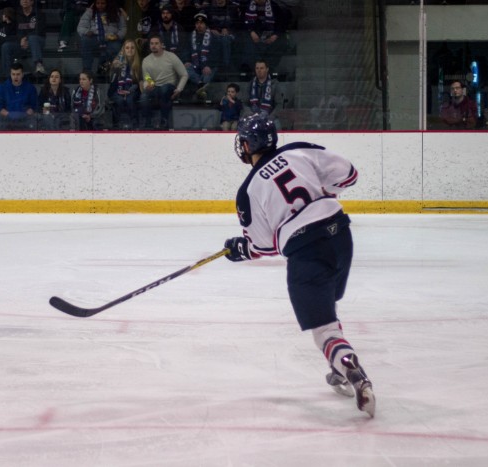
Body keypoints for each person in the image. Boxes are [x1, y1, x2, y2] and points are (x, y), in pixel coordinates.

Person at [223, 113, 375, 418]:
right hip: (341, 235)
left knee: (324, 330)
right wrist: (321, 197)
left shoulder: (248, 191)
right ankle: (338, 369)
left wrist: (241, 249)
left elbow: (264, 246)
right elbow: (349, 175)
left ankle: (349, 365)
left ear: (248, 144)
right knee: (327, 307)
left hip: (307, 251)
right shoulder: (300, 150)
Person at [139, 34, 188, 130]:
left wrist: (179, 89)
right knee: (143, 96)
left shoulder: (171, 56)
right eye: (152, 43)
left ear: (162, 45)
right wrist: (147, 85)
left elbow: (184, 74)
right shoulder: (146, 60)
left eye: (156, 43)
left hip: (170, 86)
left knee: (164, 89)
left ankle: (164, 120)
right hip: (155, 87)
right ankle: (148, 122)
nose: (154, 46)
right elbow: (147, 78)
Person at [76, 0, 126, 76]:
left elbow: (123, 28)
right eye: (98, 3)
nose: (100, 5)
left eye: (103, 3)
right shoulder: (90, 12)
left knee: (117, 47)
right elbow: (81, 27)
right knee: (85, 40)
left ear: (108, 3)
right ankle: (87, 70)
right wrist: (87, 31)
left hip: (110, 39)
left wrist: (118, 36)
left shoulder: (116, 12)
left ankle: (113, 72)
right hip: (95, 37)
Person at [240, 0, 286, 72]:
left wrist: (275, 35)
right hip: (253, 33)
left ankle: (269, 68)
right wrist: (251, 31)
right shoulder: (247, 5)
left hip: (271, 33)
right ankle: (250, 69)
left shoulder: (274, 6)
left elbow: (281, 23)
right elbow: (242, 22)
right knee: (247, 42)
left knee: (280, 42)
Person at [183, 12, 220, 101]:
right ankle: (200, 84)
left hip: (208, 66)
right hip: (194, 66)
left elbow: (217, 54)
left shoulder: (213, 37)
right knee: (185, 69)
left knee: (207, 75)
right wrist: (187, 60)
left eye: (201, 23)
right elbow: (186, 50)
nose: (199, 25)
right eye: (197, 23)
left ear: (205, 24)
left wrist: (209, 65)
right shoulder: (190, 36)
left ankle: (200, 92)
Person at [6, 0, 46, 77]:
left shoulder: (39, 14)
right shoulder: (16, 15)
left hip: (38, 41)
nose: (24, 1)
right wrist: (20, 39)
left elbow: (39, 30)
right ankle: (8, 74)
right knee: (6, 46)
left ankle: (39, 65)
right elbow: (13, 31)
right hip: (21, 43)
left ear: (32, 2)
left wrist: (25, 38)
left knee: (32, 38)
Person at [0, 61, 38, 130]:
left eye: (18, 74)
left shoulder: (30, 88)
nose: (15, 77)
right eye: (13, 74)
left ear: (22, 74)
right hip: (6, 121)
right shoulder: (2, 88)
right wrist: (9, 115)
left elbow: (34, 105)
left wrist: (24, 116)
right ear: (10, 74)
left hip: (25, 121)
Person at [108, 39, 142, 129]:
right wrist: (114, 69)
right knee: (119, 100)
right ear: (123, 49)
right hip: (116, 90)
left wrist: (129, 91)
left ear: (135, 50)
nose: (129, 50)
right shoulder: (117, 62)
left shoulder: (139, 64)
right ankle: (117, 124)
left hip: (132, 90)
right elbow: (112, 83)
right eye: (127, 48)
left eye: (132, 48)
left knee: (130, 99)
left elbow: (139, 82)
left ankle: (134, 123)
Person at [245, 58, 281, 128]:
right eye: (257, 68)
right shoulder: (250, 84)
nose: (259, 70)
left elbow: (279, 104)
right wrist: (250, 114)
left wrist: (271, 117)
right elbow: (244, 103)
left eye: (261, 68)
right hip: (253, 115)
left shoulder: (274, 84)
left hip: (270, 116)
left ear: (267, 69)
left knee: (277, 127)